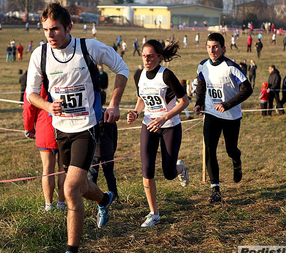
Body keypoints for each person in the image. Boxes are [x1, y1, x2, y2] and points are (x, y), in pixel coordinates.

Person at [25, 3, 129, 253]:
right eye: (46, 30)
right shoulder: (40, 55)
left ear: (69, 27)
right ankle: (105, 199)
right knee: (80, 186)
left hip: (87, 127)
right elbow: (31, 94)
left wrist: (114, 104)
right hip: (61, 130)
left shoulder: (88, 48)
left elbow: (123, 69)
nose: (50, 35)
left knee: (70, 188)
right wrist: (48, 105)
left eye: (55, 29)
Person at [126, 39, 190, 227]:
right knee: (147, 170)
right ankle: (154, 213)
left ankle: (180, 168)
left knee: (169, 173)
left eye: (150, 56)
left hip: (169, 125)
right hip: (148, 125)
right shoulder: (139, 75)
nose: (146, 59)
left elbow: (184, 102)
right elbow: (141, 99)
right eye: (144, 55)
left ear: (159, 57)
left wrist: (164, 117)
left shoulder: (167, 75)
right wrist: (136, 113)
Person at [193, 33, 253, 203]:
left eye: (215, 47)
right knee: (209, 149)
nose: (212, 50)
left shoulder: (231, 67)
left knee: (230, 149)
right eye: (209, 47)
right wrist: (199, 102)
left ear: (223, 48)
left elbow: (247, 90)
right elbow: (201, 84)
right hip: (212, 114)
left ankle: (236, 160)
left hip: (231, 116)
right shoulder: (203, 65)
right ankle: (215, 189)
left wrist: (227, 104)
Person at [23, 86, 66, 211]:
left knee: (47, 168)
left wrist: (28, 127)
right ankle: (61, 203)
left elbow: (29, 107)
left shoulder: (36, 81)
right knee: (63, 168)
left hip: (45, 126)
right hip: (65, 125)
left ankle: (48, 205)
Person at [88, 90, 119, 202]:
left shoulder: (91, 115)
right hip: (108, 150)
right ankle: (114, 196)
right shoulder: (110, 115)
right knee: (110, 175)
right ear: (105, 101)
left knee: (92, 176)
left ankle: (90, 198)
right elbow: (114, 135)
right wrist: (113, 148)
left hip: (94, 152)